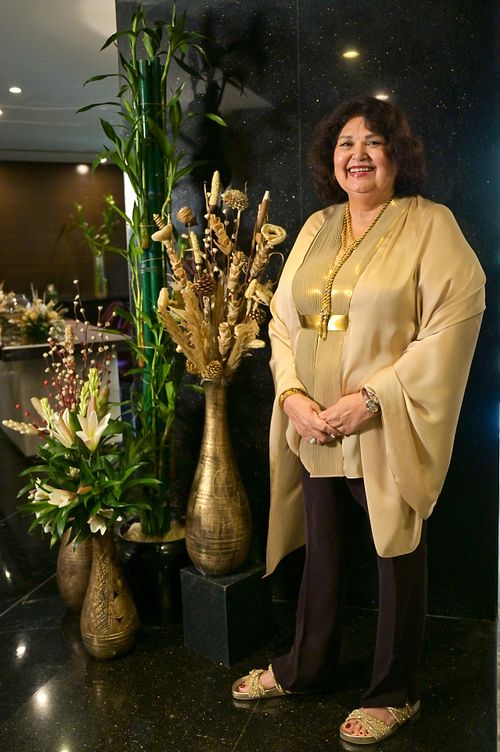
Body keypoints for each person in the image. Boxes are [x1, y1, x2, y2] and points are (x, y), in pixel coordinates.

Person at [231, 96, 485, 745]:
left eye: (374, 141)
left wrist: (374, 398)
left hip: (382, 423)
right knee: (322, 551)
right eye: (346, 143)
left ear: (397, 155)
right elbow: (281, 321)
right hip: (315, 424)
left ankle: (396, 692)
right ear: (331, 158)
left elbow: (454, 319)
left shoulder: (431, 224)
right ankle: (305, 668)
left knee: (397, 552)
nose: (359, 154)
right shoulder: (317, 226)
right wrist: (292, 396)